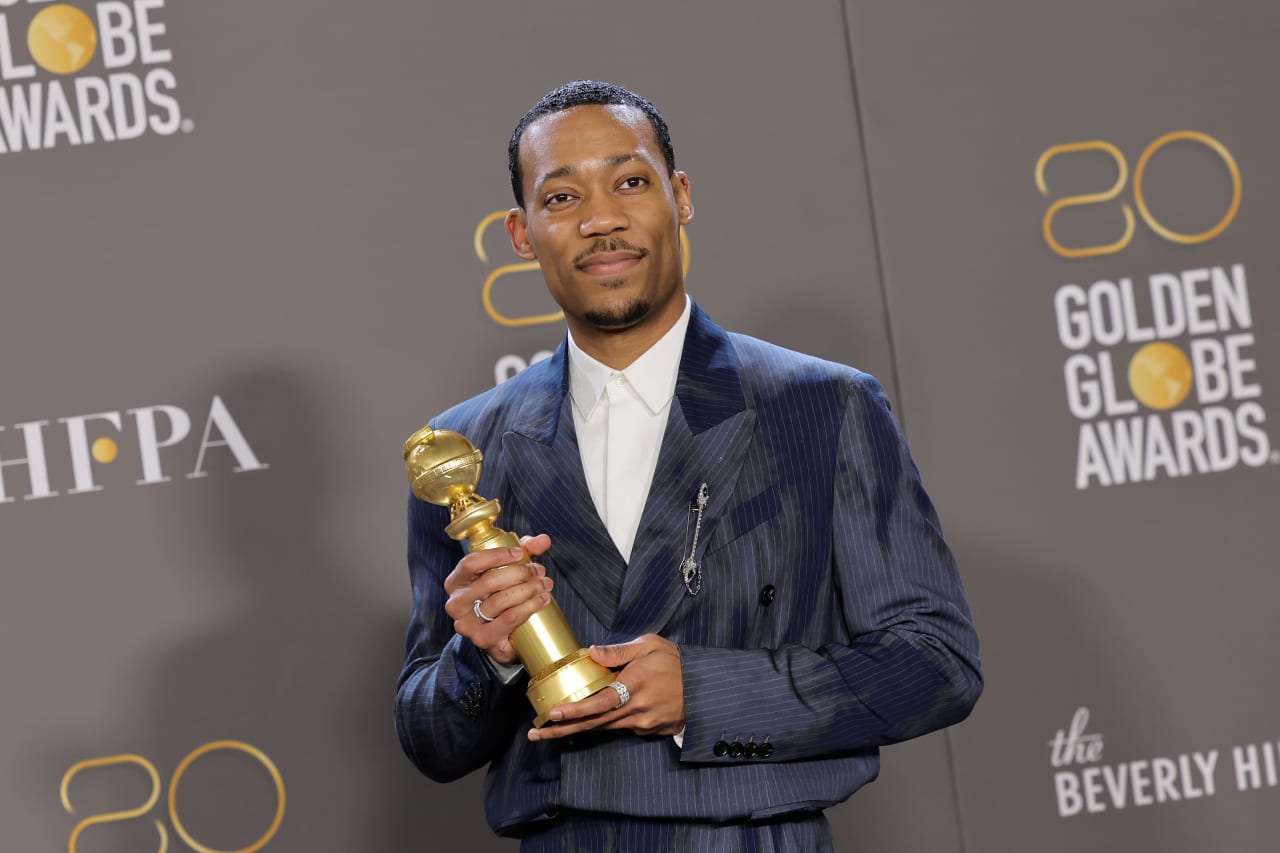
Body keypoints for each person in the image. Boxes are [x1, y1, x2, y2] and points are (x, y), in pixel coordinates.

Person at [395, 80, 982, 851]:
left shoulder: (824, 407)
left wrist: (704, 692)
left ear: (680, 195)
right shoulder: (464, 449)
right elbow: (431, 739)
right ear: (522, 231)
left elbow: (936, 662)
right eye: (563, 197)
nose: (602, 220)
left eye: (630, 182)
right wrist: (485, 654)